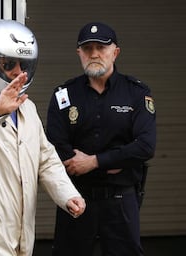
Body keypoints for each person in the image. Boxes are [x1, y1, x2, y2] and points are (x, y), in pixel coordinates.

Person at [0, 19, 86, 256]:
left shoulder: (27, 108)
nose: (17, 72)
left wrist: (68, 195)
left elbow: (46, 158)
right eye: (8, 64)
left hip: (22, 226)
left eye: (22, 64)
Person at [46, 22, 156, 256]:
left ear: (115, 52)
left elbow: (145, 146)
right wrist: (116, 161)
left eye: (101, 47)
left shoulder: (136, 93)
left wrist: (95, 161)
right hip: (76, 198)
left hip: (121, 201)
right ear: (79, 54)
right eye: (87, 49)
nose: (94, 54)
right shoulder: (63, 95)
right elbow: (55, 147)